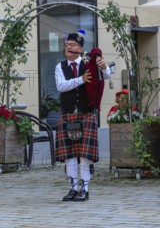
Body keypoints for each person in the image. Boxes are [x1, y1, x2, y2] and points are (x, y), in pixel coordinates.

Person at [55, 31, 111, 202]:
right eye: (66, 45)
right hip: (67, 114)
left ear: (80, 48)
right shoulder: (60, 66)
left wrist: (103, 66)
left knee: (85, 156)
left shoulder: (89, 63)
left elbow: (107, 75)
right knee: (69, 156)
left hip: (86, 113)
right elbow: (61, 86)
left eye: (72, 45)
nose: (68, 48)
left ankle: (84, 189)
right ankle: (72, 188)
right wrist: (81, 79)